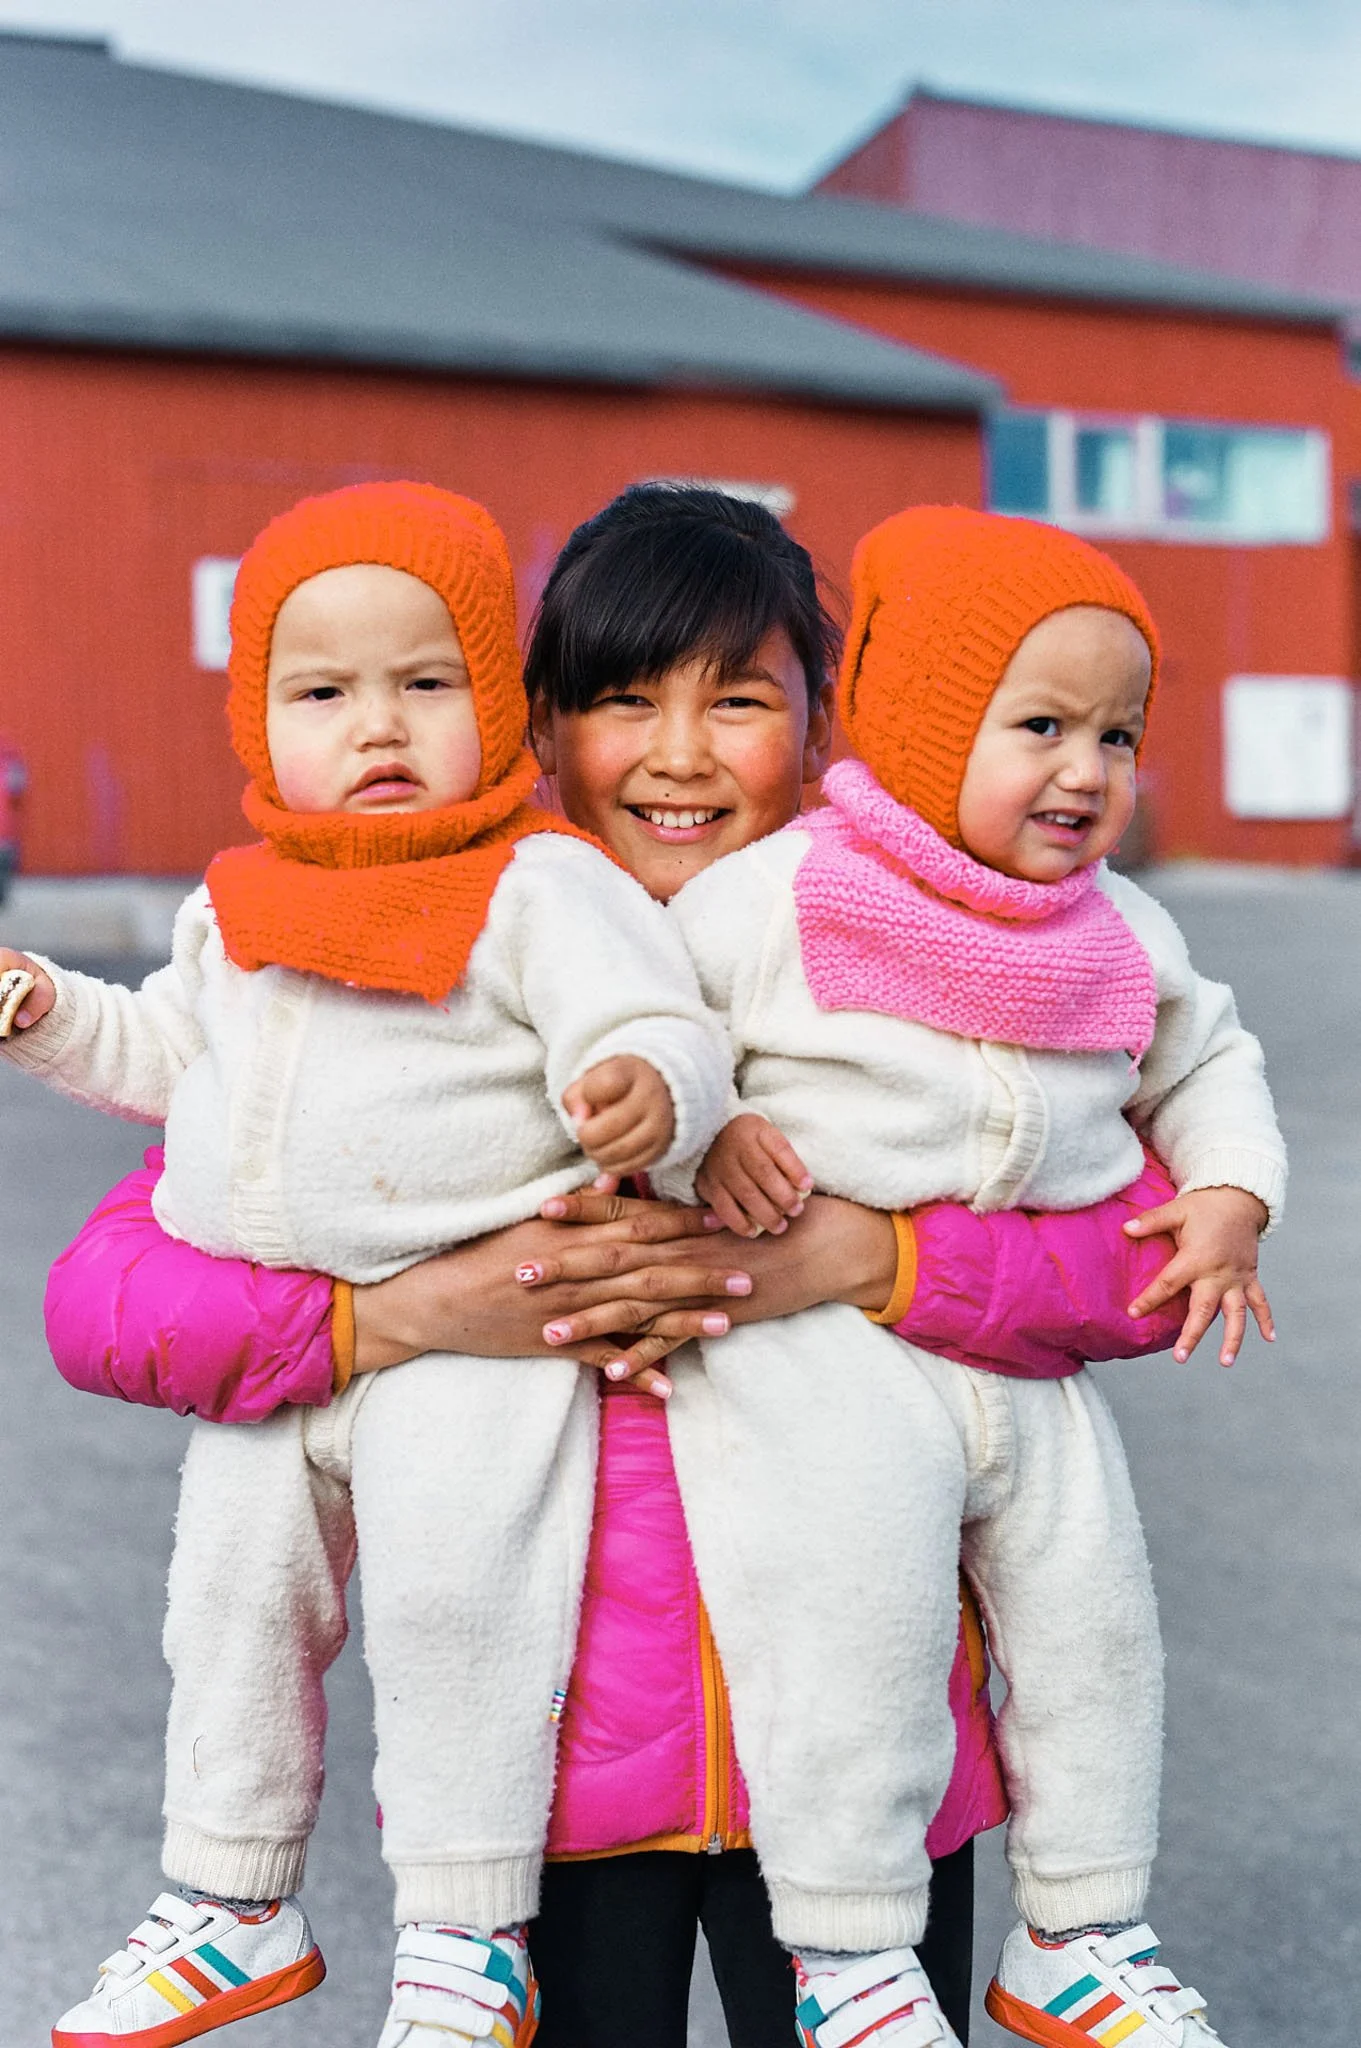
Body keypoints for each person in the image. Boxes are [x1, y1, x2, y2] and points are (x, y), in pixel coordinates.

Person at [39, 485, 1188, 2048]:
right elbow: (112, 1307)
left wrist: (870, 1261)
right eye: (620, 700)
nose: (679, 754)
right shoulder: (420, 985)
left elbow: (1148, 1262)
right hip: (565, 1772)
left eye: (744, 701)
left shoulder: (921, 973)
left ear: (824, 721)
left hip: (868, 1772)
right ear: (541, 723)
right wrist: (403, 1313)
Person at [2, 480, 737, 2048]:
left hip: (479, 1347)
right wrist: (50, 1012)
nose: (381, 727)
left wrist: (653, 1091)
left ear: (498, 708)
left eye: (426, 684)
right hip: (289, 1361)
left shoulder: (539, 884)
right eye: (325, 693)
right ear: (261, 724)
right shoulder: (237, 907)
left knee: (456, 1606)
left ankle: (468, 1934)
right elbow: (169, 1055)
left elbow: (651, 1015)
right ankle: (231, 1892)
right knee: (229, 1604)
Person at [657, 505, 1284, 2048]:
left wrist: (1230, 1190)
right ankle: (854, 1944)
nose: (1087, 770)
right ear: (937, 728)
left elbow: (1205, 1059)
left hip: (1020, 1367)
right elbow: (656, 1036)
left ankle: (1077, 1922)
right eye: (1043, 725)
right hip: (829, 1360)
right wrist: (694, 1136)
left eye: (1118, 735)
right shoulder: (784, 895)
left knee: (1094, 1621)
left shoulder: (1119, 931)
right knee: (862, 1620)